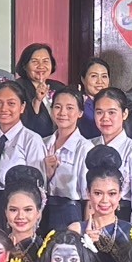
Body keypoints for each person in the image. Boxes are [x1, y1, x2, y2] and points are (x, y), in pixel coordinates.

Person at [0, 80, 47, 229]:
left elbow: (39, 186)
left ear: (22, 107)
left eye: (11, 103)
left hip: (16, 209)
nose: (4, 109)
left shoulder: (31, 139)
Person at [72, 147, 132, 262]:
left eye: (112, 193)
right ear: (88, 193)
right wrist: (83, 245)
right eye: (98, 193)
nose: (105, 200)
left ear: (120, 194)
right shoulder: (76, 229)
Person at [89, 87, 132, 225]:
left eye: (112, 112)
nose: (105, 118)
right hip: (88, 217)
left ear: (125, 114)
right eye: (99, 112)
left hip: (123, 219)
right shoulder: (87, 146)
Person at [40, 88, 91, 232]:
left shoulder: (84, 148)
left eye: (69, 108)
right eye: (57, 107)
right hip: (42, 209)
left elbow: (89, 197)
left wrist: (87, 229)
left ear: (80, 113)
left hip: (70, 212)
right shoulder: (43, 143)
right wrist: (47, 175)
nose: (62, 113)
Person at [1, 166, 50, 262]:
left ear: (38, 212)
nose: (20, 216)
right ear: (5, 212)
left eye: (28, 210)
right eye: (13, 210)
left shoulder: (46, 251)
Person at [15, 42, 65, 138]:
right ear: (24, 66)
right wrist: (37, 101)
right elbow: (23, 123)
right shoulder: (16, 89)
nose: (41, 66)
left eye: (45, 61)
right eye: (35, 62)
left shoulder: (59, 88)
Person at [77, 57, 113, 139]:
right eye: (94, 76)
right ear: (83, 79)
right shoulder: (78, 104)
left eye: (104, 76)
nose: (100, 81)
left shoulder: (115, 102)